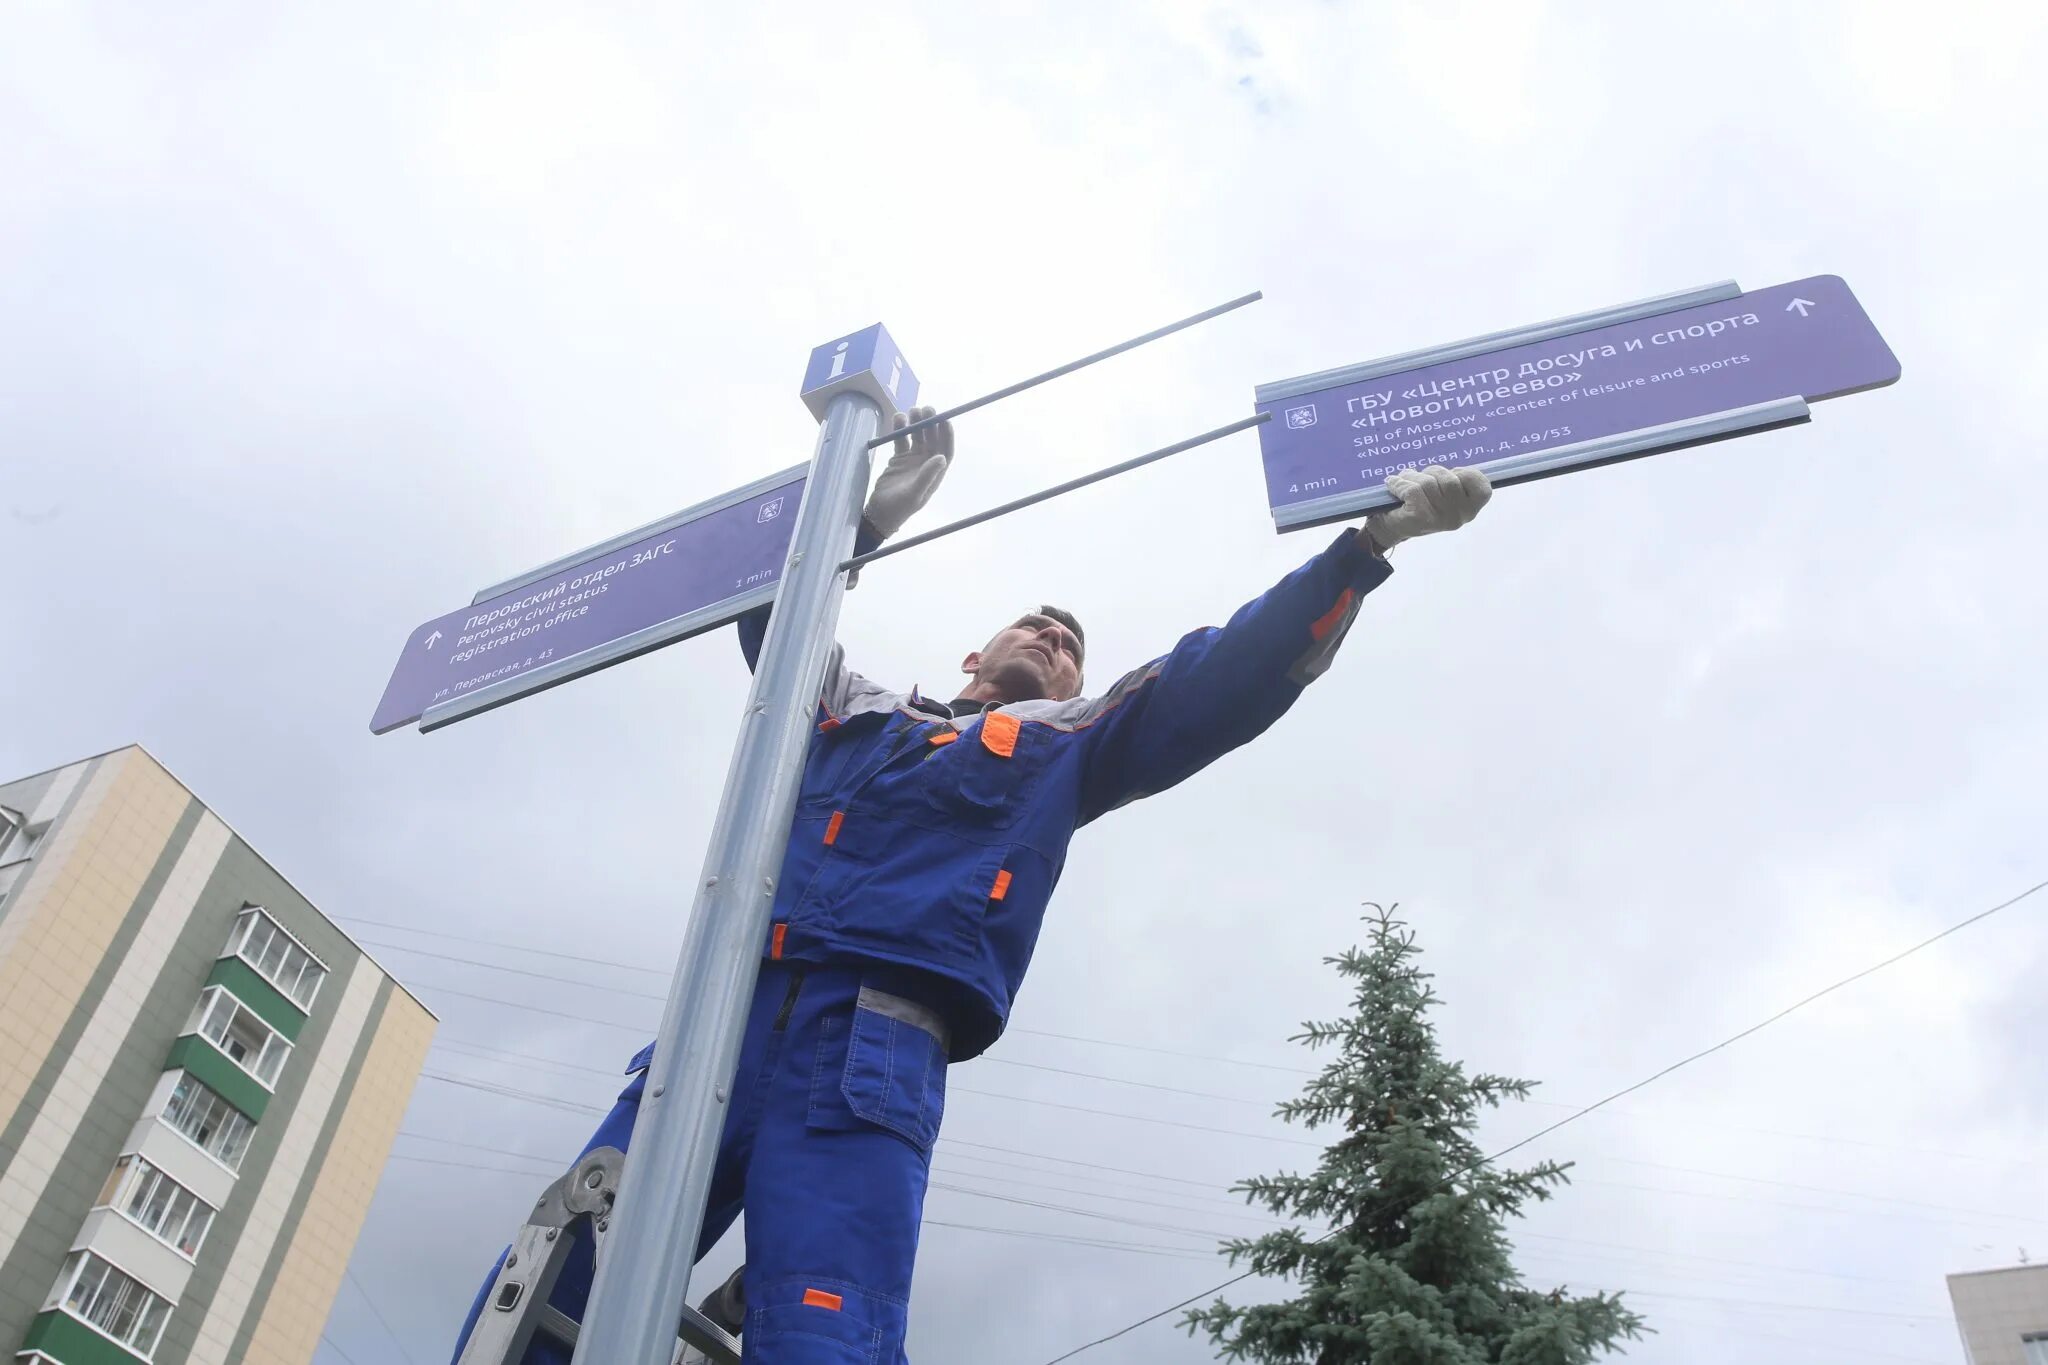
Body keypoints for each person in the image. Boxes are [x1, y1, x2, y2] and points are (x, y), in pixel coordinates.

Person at [451, 408, 1492, 1363]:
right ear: (973, 651)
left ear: (1080, 688)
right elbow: (772, 621)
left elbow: (1220, 680)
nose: (1053, 638)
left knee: (825, 1316)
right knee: (562, 1266)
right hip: (721, 1011)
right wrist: (852, 525)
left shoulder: (1071, 745)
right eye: (1036, 624)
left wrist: (1363, 551)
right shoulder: (847, 708)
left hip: (868, 1044)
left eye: (1072, 647)